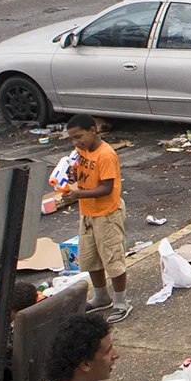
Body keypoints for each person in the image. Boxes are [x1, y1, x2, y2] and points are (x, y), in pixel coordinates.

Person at [53, 116, 131, 321]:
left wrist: (78, 195)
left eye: (79, 136)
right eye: (72, 139)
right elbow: (77, 173)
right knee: (91, 257)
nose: (76, 142)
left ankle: (121, 301)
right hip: (87, 214)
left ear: (93, 130)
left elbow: (106, 188)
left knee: (113, 258)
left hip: (107, 214)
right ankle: (101, 296)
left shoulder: (105, 155)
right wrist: (68, 177)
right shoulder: (80, 152)